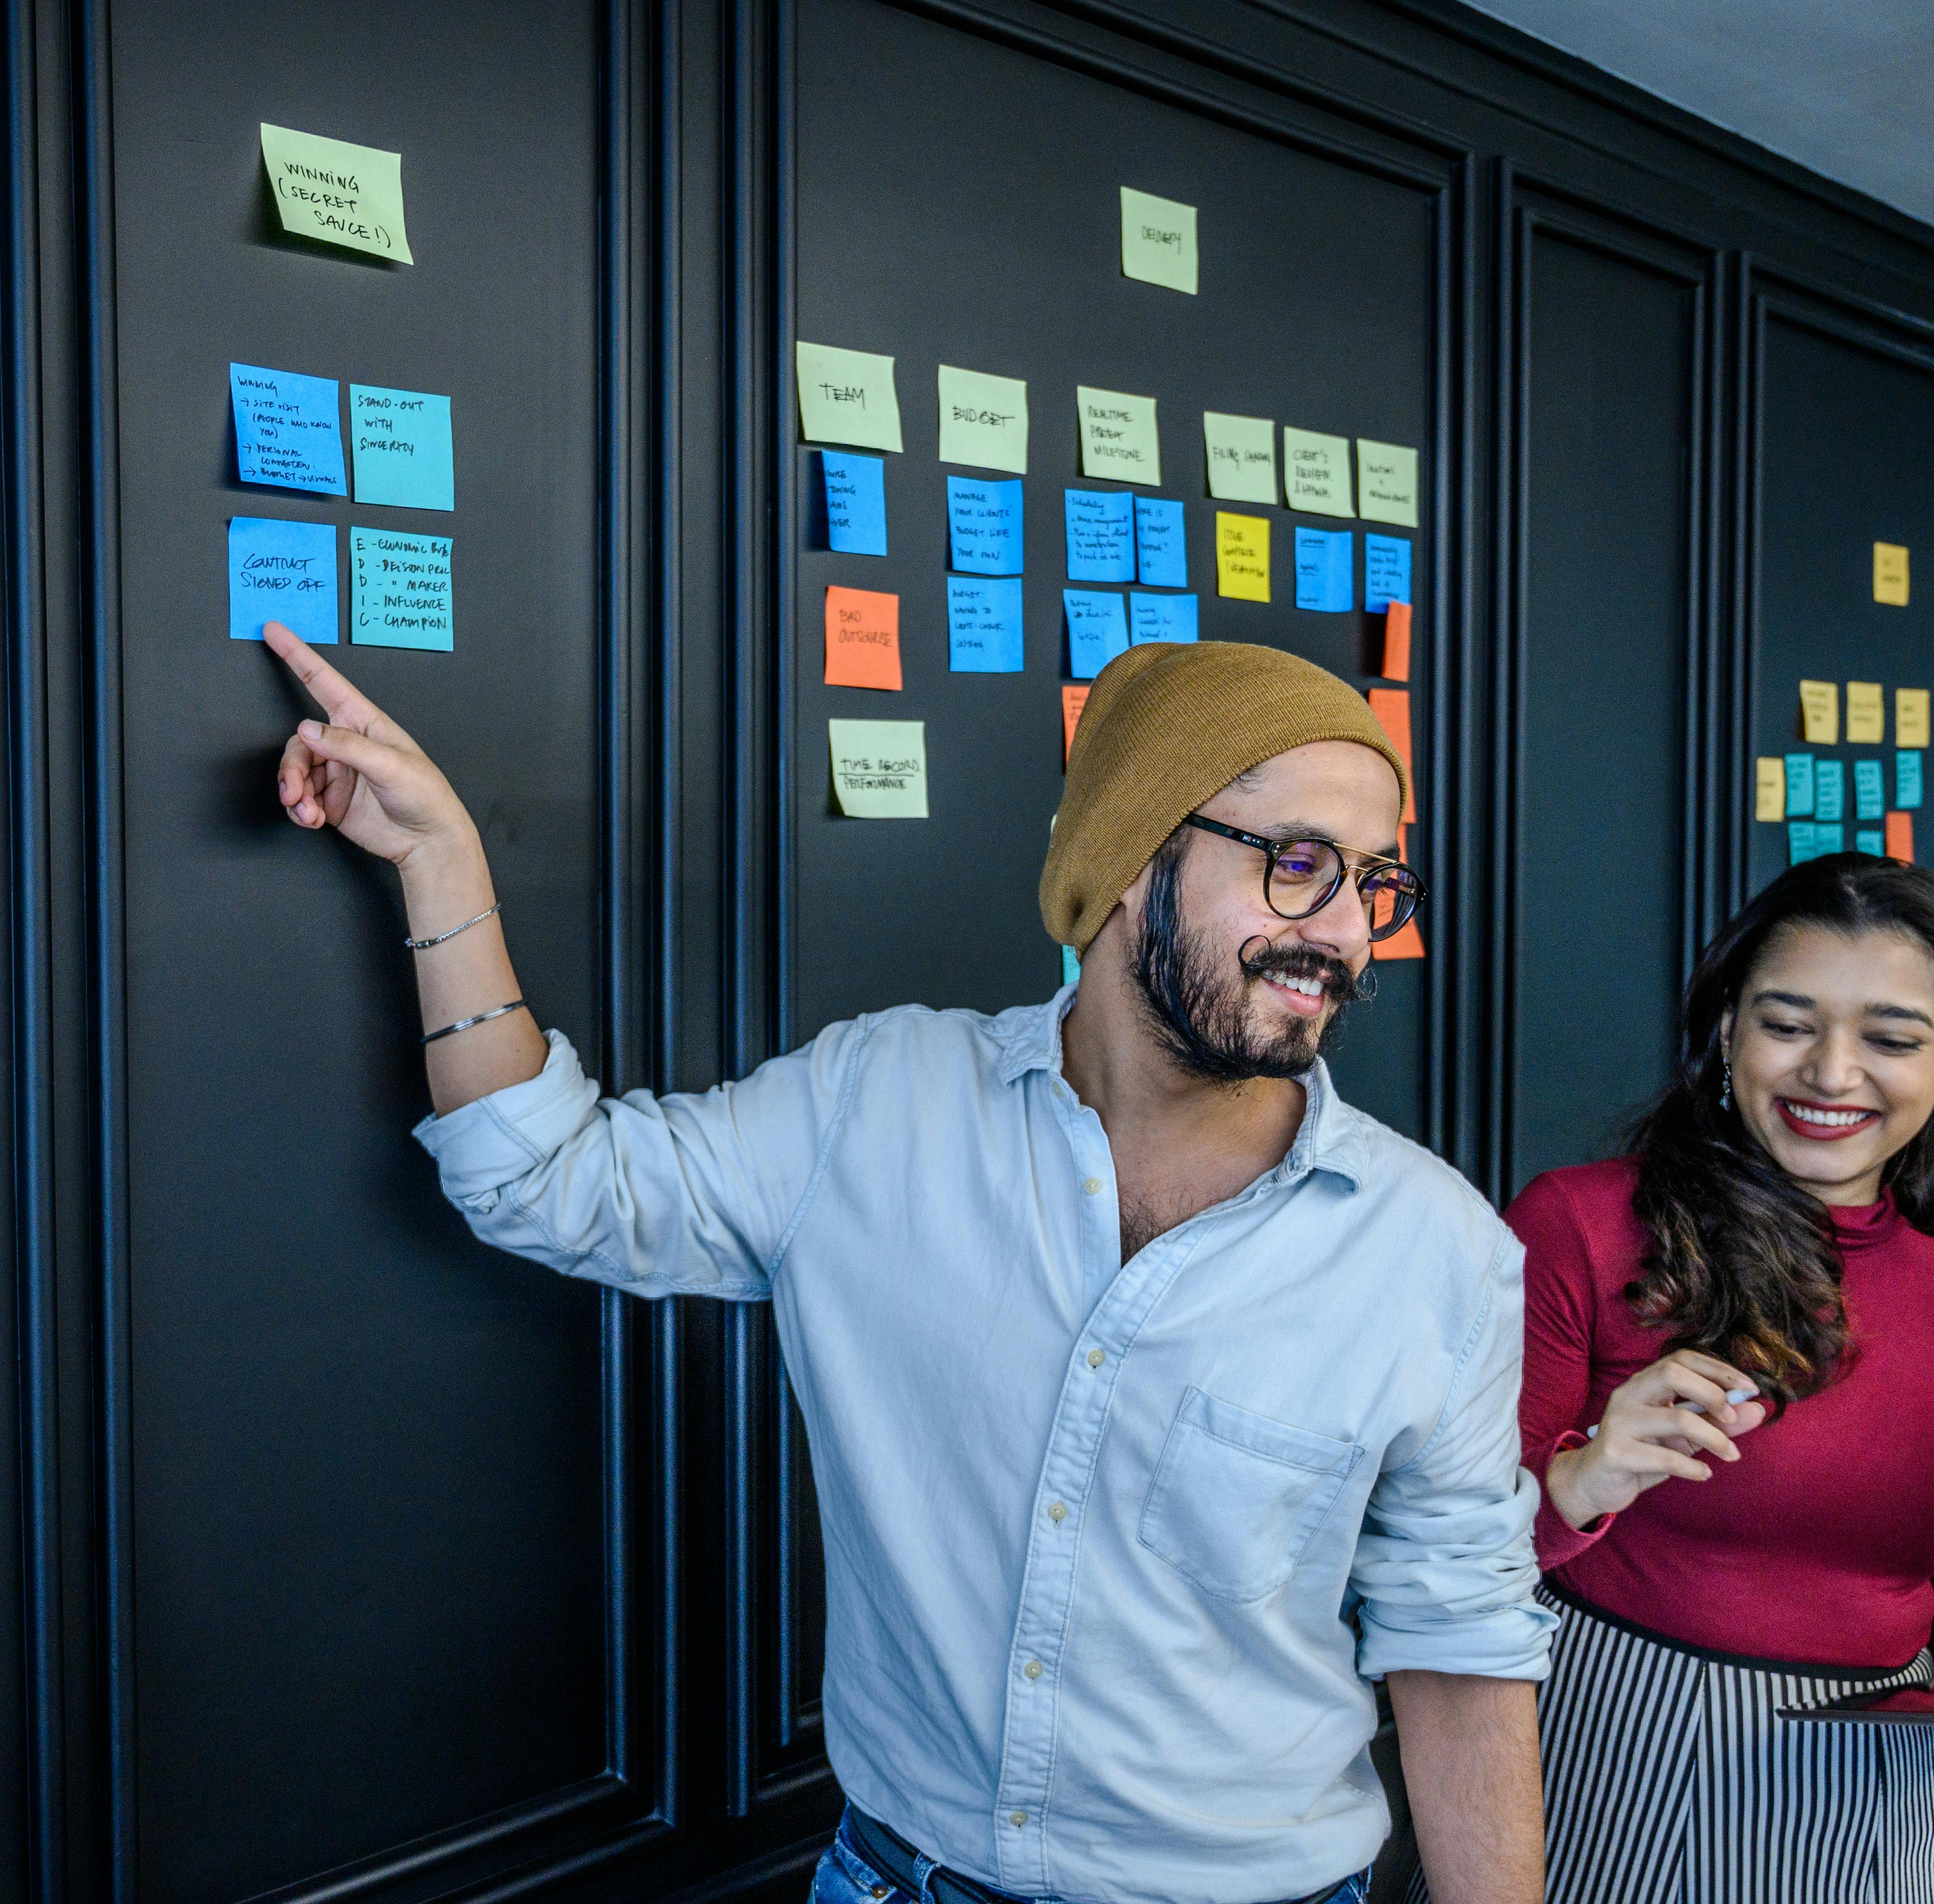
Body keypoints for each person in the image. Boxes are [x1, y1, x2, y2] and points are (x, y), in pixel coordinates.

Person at [266, 626, 1555, 1904]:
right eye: (1299, 864)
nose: (1348, 934)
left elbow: (1459, 1651)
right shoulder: (876, 1104)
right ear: (1125, 856)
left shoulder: (1435, 1251)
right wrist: (440, 865)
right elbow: (549, 1182)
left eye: (1374, 881)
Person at [1448, 855, 1934, 1904]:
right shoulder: (1578, 1224)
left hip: (1886, 1789)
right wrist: (1577, 1481)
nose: (1832, 1071)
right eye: (1788, 1022)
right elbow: (1441, 1558)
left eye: (1893, 1038)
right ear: (1727, 1029)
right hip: (1612, 1753)